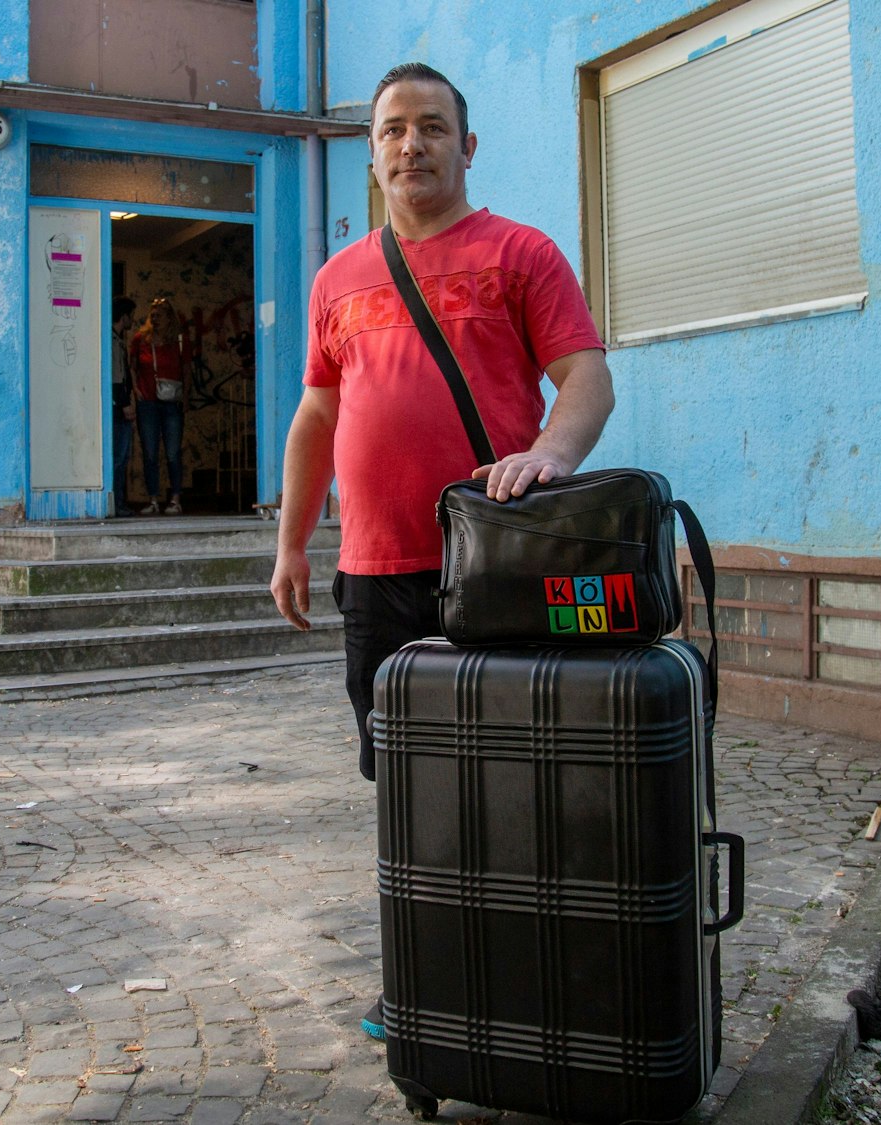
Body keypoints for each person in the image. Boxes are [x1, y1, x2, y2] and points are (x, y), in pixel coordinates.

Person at [267, 61, 614, 1041]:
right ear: (370, 153)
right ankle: (427, 980)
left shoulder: (519, 253)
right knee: (407, 790)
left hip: (495, 572)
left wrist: (549, 453)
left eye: (430, 127)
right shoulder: (339, 277)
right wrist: (292, 544)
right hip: (376, 579)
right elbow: (315, 418)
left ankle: (530, 970)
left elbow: (585, 380)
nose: (408, 144)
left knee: (518, 775)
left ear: (466, 146)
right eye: (389, 130)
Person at [130, 297, 188, 515]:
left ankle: (175, 499)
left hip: (172, 403)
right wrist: (136, 390)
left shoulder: (179, 341)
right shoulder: (140, 339)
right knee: (150, 452)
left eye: (159, 315)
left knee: (173, 452)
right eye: (152, 315)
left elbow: (187, 369)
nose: (154, 318)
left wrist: (186, 398)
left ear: (169, 318)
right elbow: (132, 367)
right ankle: (153, 499)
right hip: (148, 403)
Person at [110, 297, 138, 516]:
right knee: (119, 457)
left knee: (120, 457)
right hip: (118, 407)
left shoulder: (117, 340)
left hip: (118, 405)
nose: (134, 320)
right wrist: (125, 403)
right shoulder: (112, 341)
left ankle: (118, 502)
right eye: (131, 315)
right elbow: (116, 377)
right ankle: (117, 504)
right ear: (124, 316)